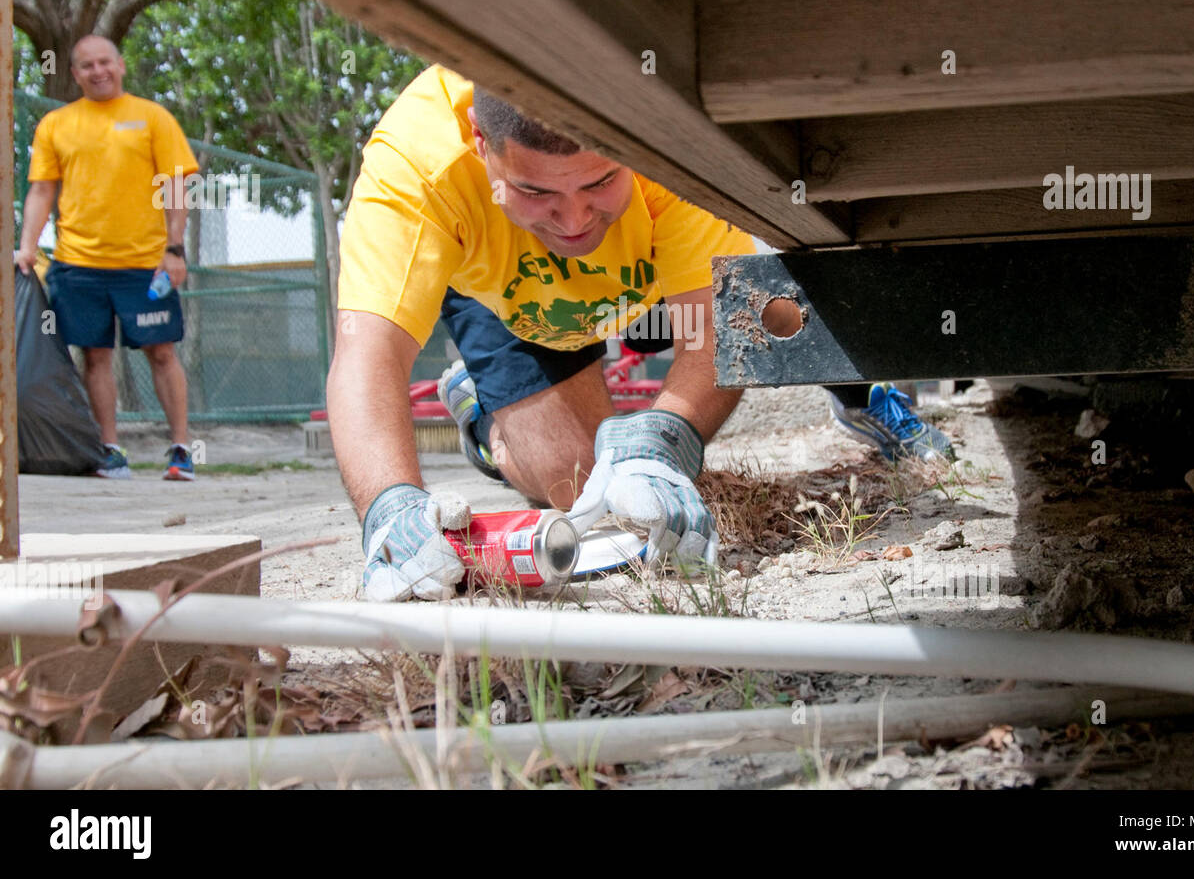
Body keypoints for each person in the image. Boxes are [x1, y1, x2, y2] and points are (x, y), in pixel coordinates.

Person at [329, 64, 954, 603]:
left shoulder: (669, 140)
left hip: (655, 296)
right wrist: (389, 509)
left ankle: (864, 397)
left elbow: (717, 328)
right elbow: (368, 352)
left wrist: (663, 440)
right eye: (534, 190)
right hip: (519, 307)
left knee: (775, 307)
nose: (574, 219)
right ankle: (491, 420)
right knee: (581, 488)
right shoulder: (414, 165)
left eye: (600, 181)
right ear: (478, 143)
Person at [15, 35, 199, 481]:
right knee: (94, 356)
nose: (98, 71)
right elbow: (42, 190)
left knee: (161, 352)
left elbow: (177, 185)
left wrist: (174, 249)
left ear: (120, 65)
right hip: (78, 264)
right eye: (87, 66)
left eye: (105, 62)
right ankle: (110, 450)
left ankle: (180, 450)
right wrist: (27, 245)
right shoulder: (55, 125)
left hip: (146, 265)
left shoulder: (152, 117)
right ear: (74, 74)